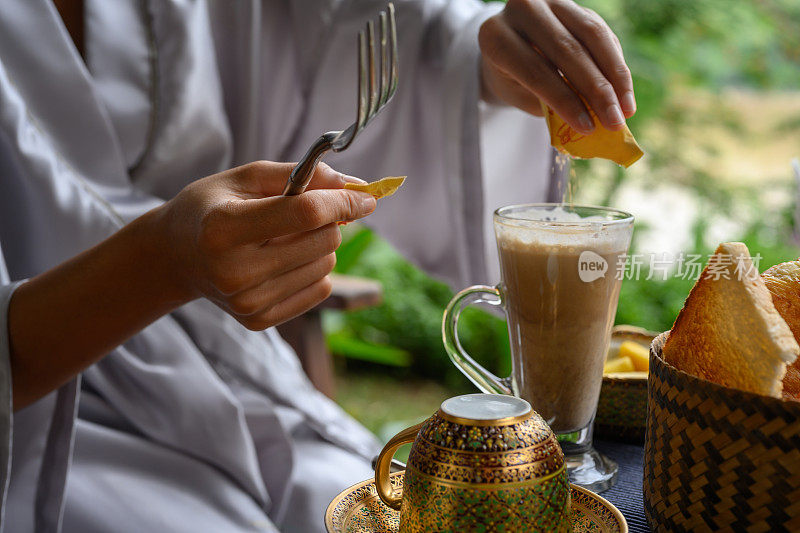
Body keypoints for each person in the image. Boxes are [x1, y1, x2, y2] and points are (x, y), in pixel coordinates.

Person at [0, 0, 635, 531]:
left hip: (228, 375)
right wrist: (156, 265)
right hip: (51, 434)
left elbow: (332, 28)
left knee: (359, 503)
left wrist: (487, 71)